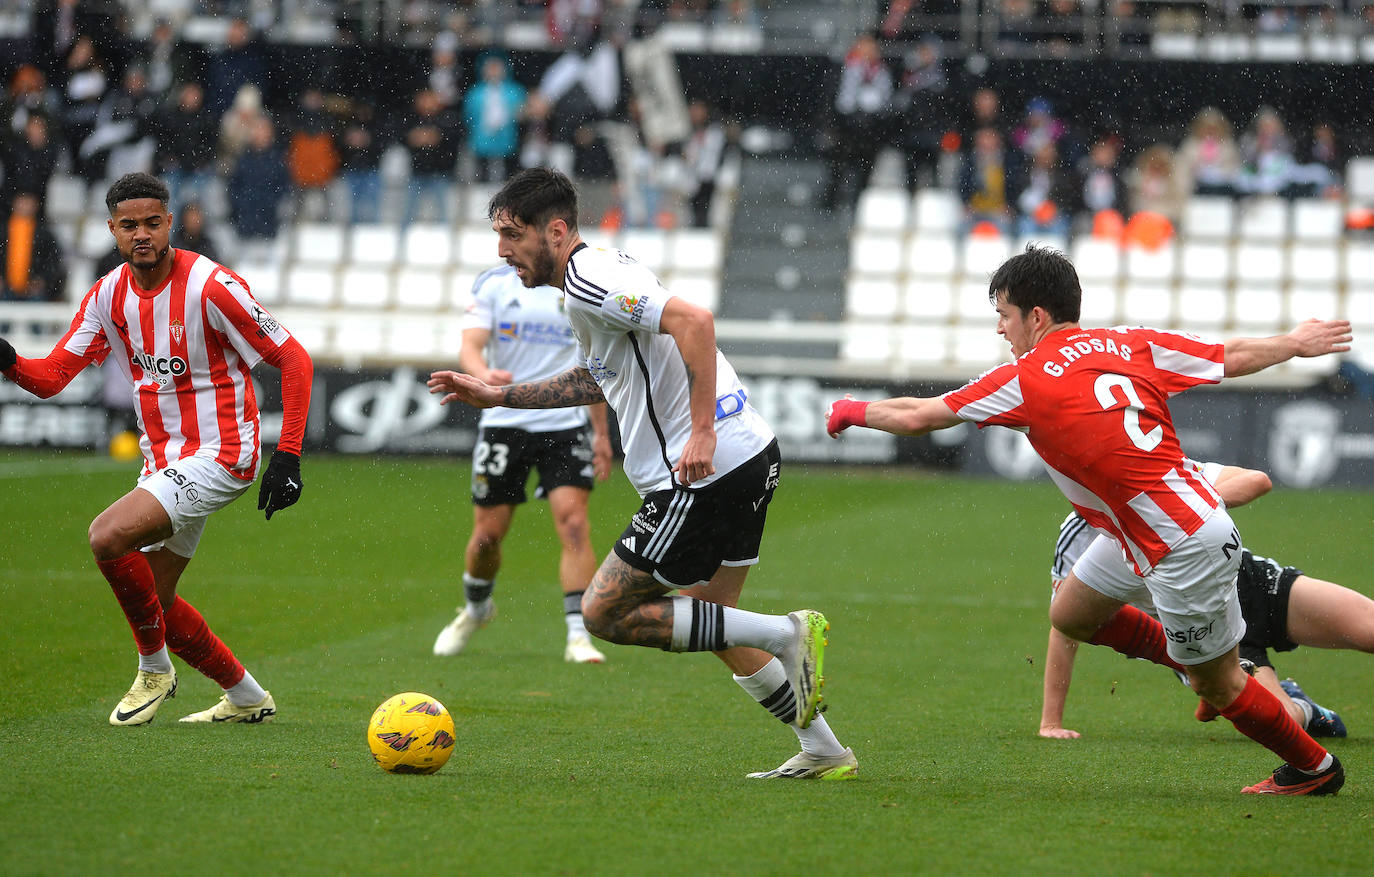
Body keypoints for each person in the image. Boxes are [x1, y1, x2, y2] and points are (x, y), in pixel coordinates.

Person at [826, 244, 1352, 796]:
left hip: (1178, 543)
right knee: (1072, 613)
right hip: (1150, 529)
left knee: (1217, 685)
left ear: (1036, 317)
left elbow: (918, 415)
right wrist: (1294, 342)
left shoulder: (1025, 378)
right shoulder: (1130, 343)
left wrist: (853, 411)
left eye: (1004, 315)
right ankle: (1190, 659)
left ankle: (1314, 769)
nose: (1001, 330)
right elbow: (1231, 355)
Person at [428, 167, 853, 780]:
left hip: (703, 471)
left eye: (511, 234)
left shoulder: (588, 280)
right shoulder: (589, 281)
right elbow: (598, 376)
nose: (502, 250)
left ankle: (789, 633)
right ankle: (824, 748)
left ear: (554, 229)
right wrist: (501, 398)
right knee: (715, 624)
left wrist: (701, 430)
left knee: (605, 613)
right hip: (748, 457)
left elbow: (695, 323)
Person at [0, 172, 314, 726]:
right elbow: (51, 378)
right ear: (112, 231)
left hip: (223, 453)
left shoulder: (210, 286)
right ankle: (246, 696)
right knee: (156, 602)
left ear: (169, 223)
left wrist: (287, 454)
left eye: (151, 223)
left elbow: (294, 358)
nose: (141, 234)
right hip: (164, 461)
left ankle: (154, 669)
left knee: (107, 535)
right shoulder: (107, 296)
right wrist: (6, 360)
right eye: (129, 226)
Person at [1040, 461, 1368, 740]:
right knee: (1286, 723)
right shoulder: (1078, 534)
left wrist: (1185, 510)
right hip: (1206, 627)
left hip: (1252, 583)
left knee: (1367, 628)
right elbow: (1066, 626)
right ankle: (1303, 707)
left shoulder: (1166, 474)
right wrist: (1051, 722)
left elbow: (1257, 480)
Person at [432, 263, 614, 664]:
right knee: (487, 536)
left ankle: (577, 636)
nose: (505, 246)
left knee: (574, 523)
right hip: (504, 420)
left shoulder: (577, 284)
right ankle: (476, 609)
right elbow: (471, 347)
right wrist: (483, 377)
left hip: (564, 422)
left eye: (512, 234)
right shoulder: (493, 283)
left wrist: (600, 434)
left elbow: (594, 366)